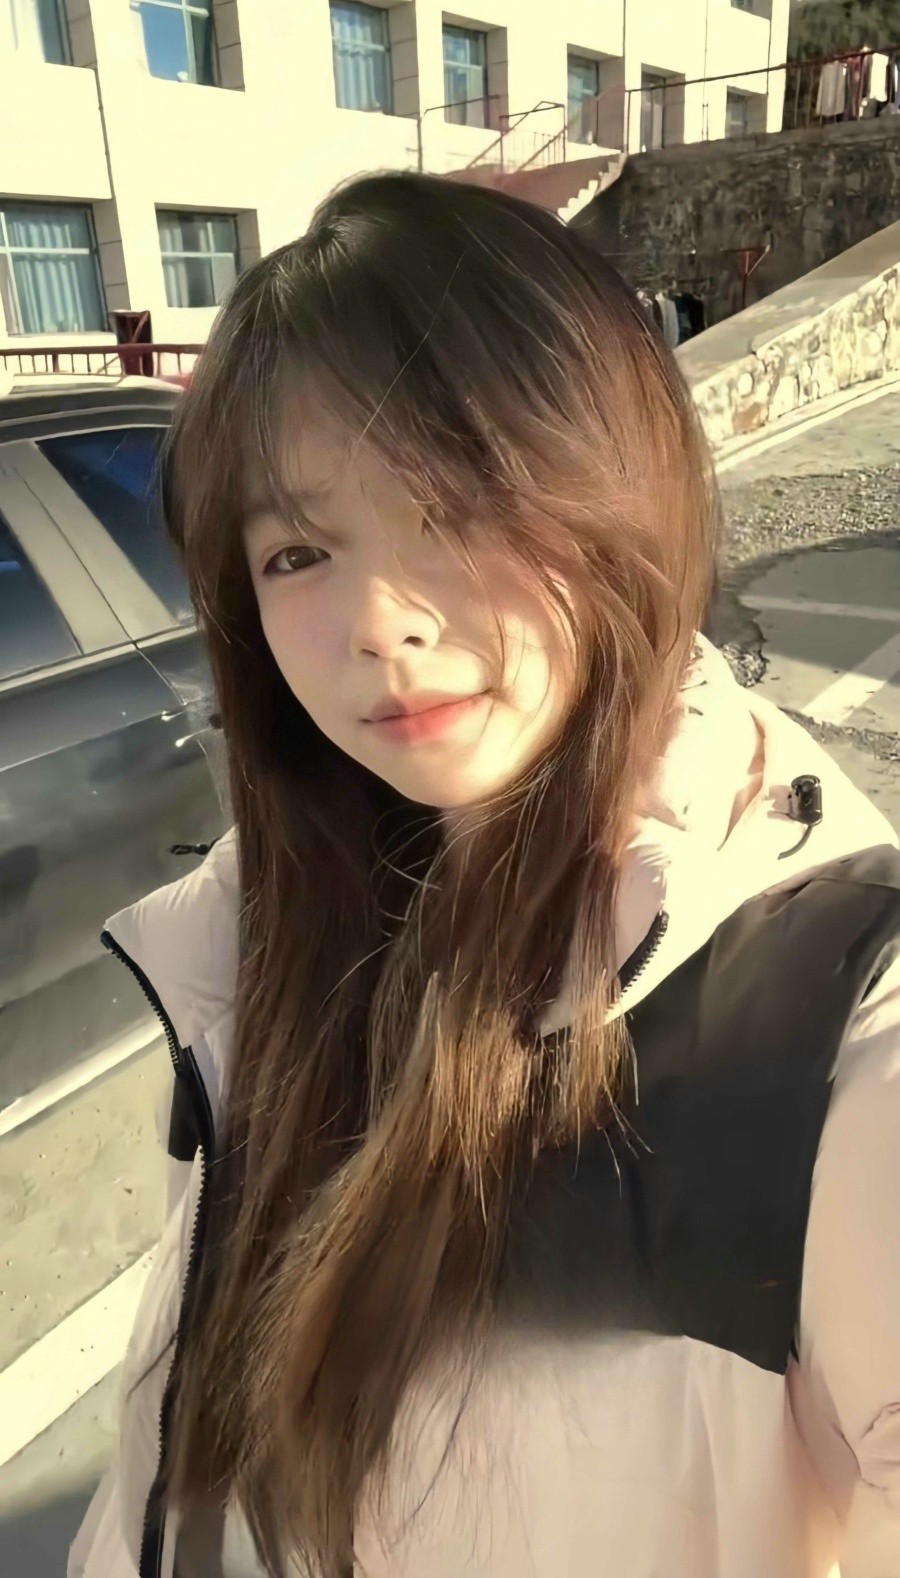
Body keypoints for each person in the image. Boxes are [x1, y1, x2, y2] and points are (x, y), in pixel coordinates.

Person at [69, 171, 900, 1578]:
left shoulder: (827, 1007)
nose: (381, 622)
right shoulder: (269, 935)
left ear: (617, 495)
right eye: (299, 551)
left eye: (454, 510)